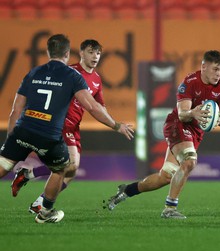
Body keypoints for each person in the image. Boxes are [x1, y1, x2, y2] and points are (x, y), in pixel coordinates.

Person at [0, 34, 134, 223]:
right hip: (58, 126)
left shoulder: (96, 79)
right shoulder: (70, 72)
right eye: (91, 52)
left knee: (70, 169)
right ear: (79, 53)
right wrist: (116, 125)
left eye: (98, 53)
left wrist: (113, 120)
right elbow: (91, 106)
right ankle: (43, 206)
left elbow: (99, 105)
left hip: (66, 127)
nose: (95, 56)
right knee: (67, 166)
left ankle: (30, 181)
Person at [103, 50, 220, 219]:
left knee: (165, 176)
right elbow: (182, 114)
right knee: (189, 161)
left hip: (195, 132)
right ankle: (169, 208)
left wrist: (216, 120)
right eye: (215, 69)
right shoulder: (189, 82)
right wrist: (193, 113)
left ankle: (127, 190)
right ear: (204, 66)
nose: (219, 74)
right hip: (177, 125)